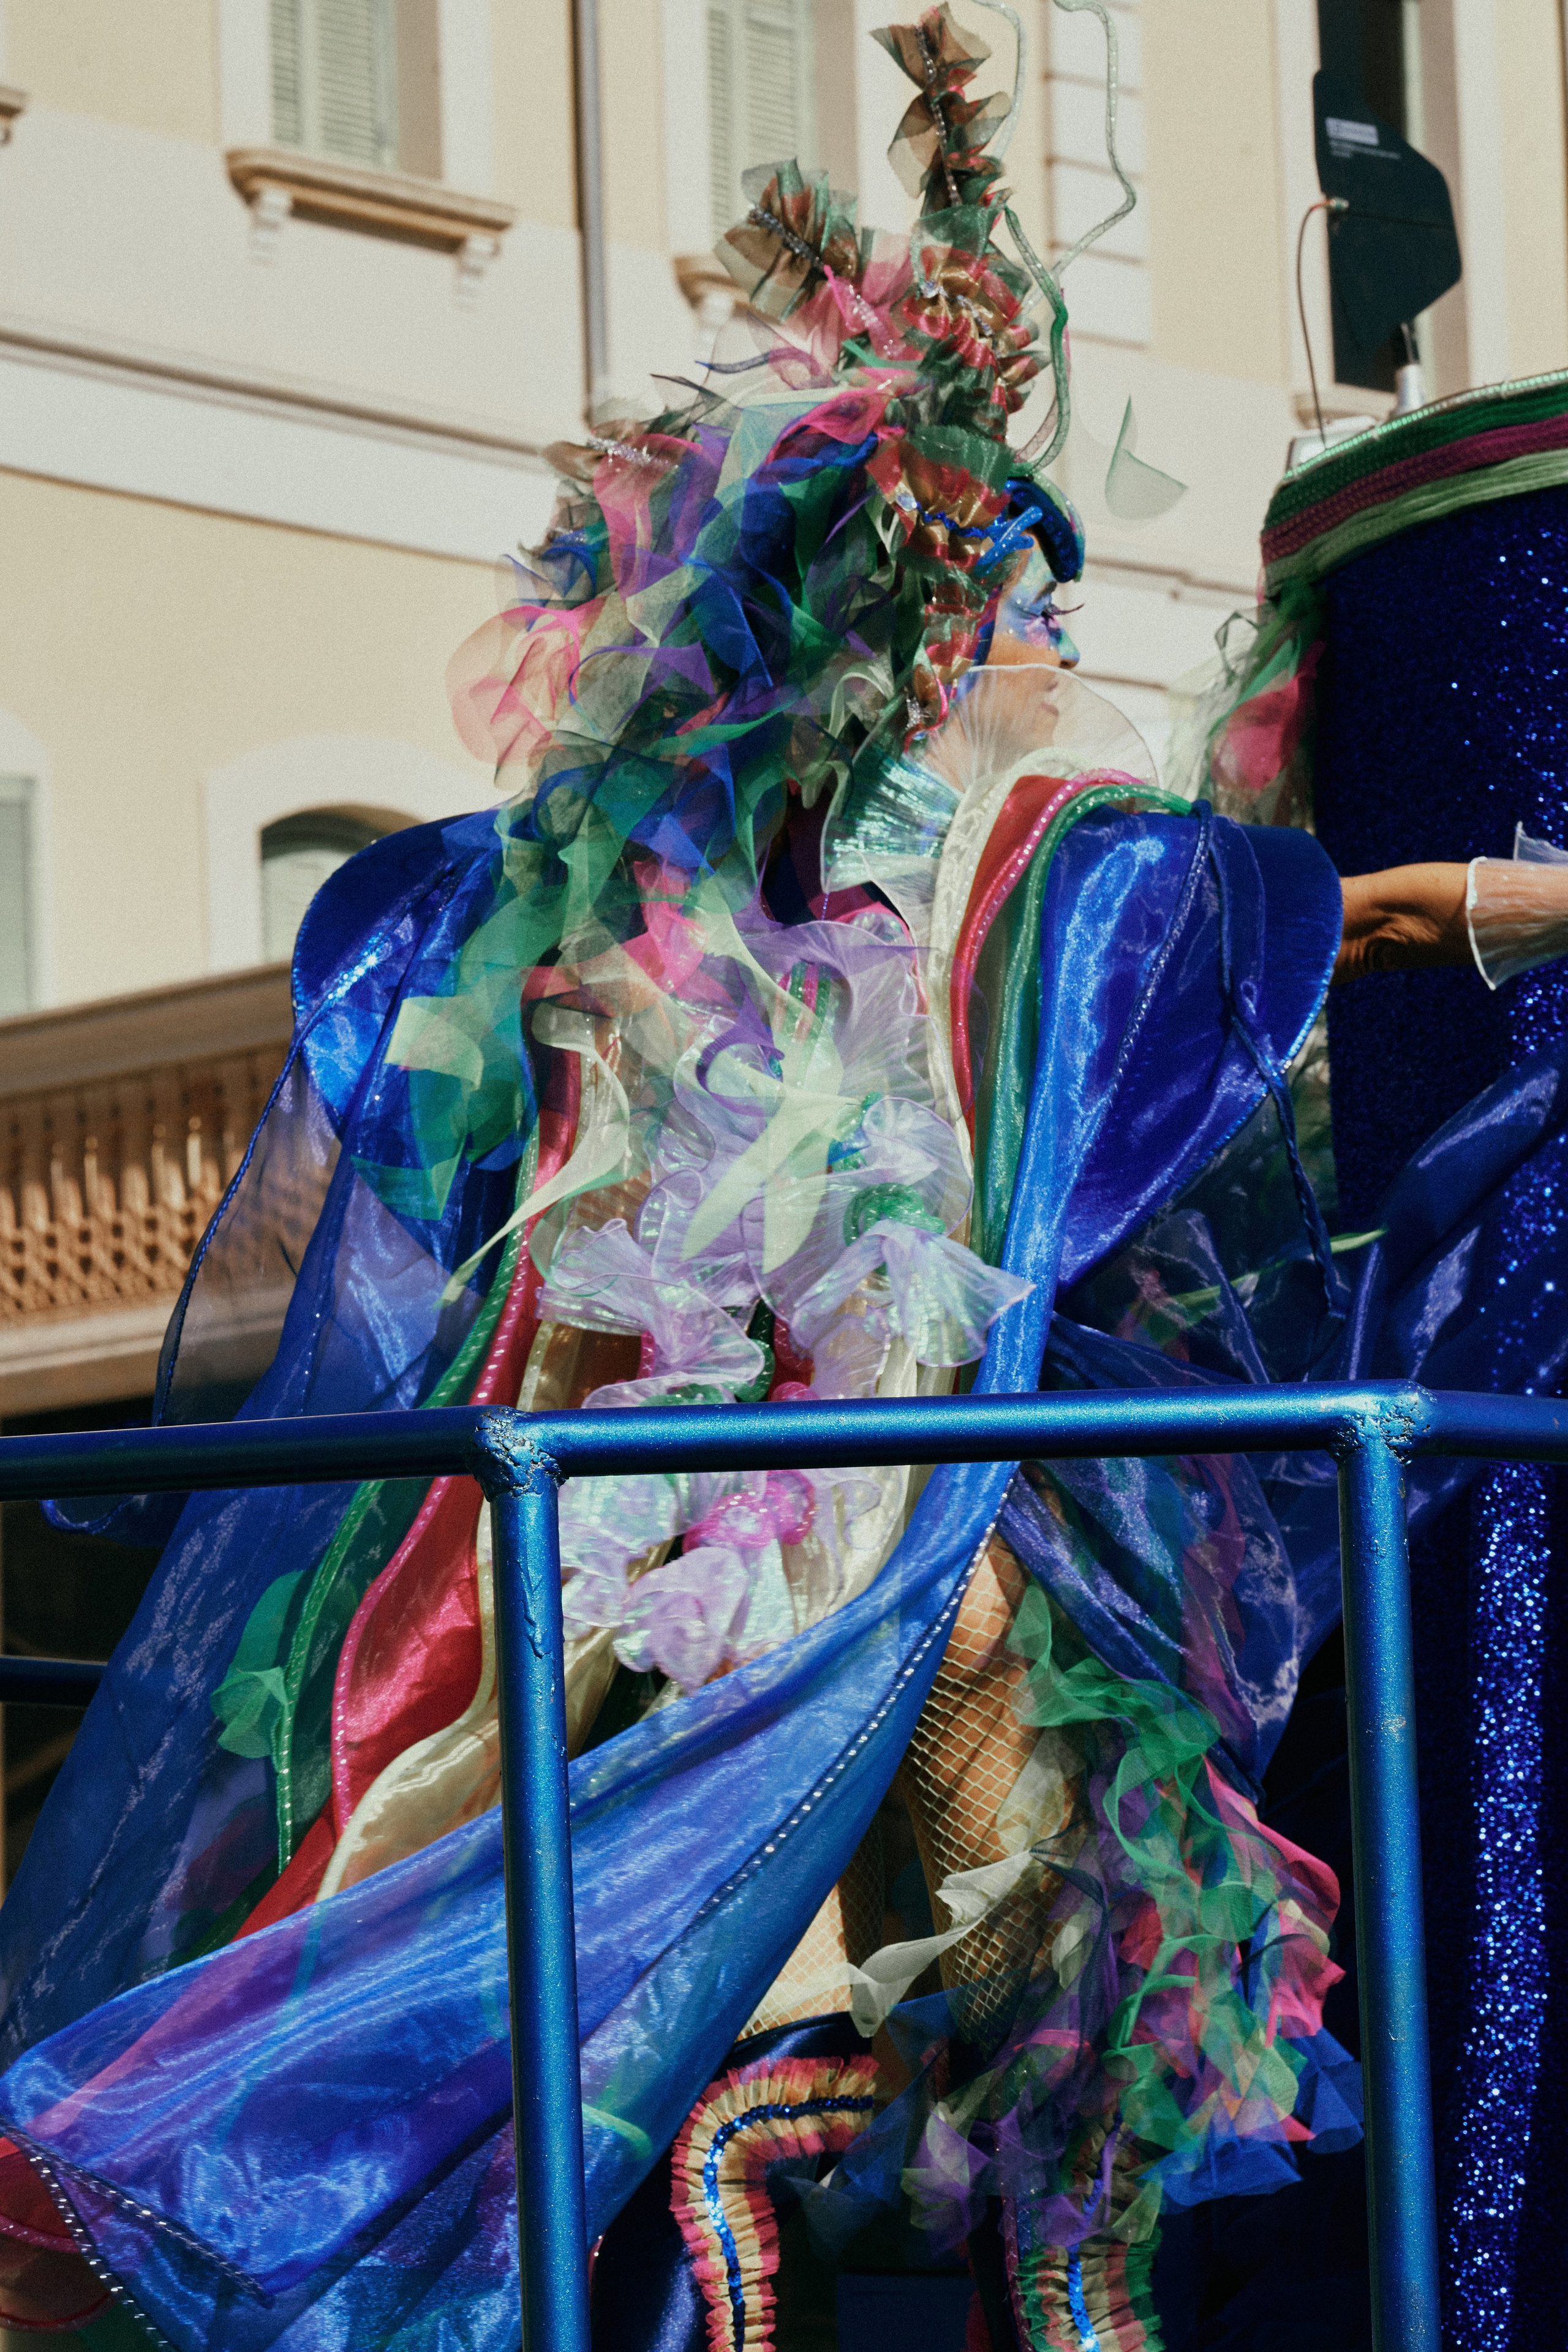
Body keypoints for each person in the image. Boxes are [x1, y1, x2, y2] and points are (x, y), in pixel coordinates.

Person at [4, 13, 1568, 2348]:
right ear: (932, 633)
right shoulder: (860, 884)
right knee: (852, 2043)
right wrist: (1489, 896)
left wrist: (955, 194)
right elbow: (1275, 921)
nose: (1059, 654)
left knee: (1044, 2025)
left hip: (899, 1513)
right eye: (1028, 613)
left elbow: (1195, 976)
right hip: (799, 1540)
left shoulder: (871, 872)